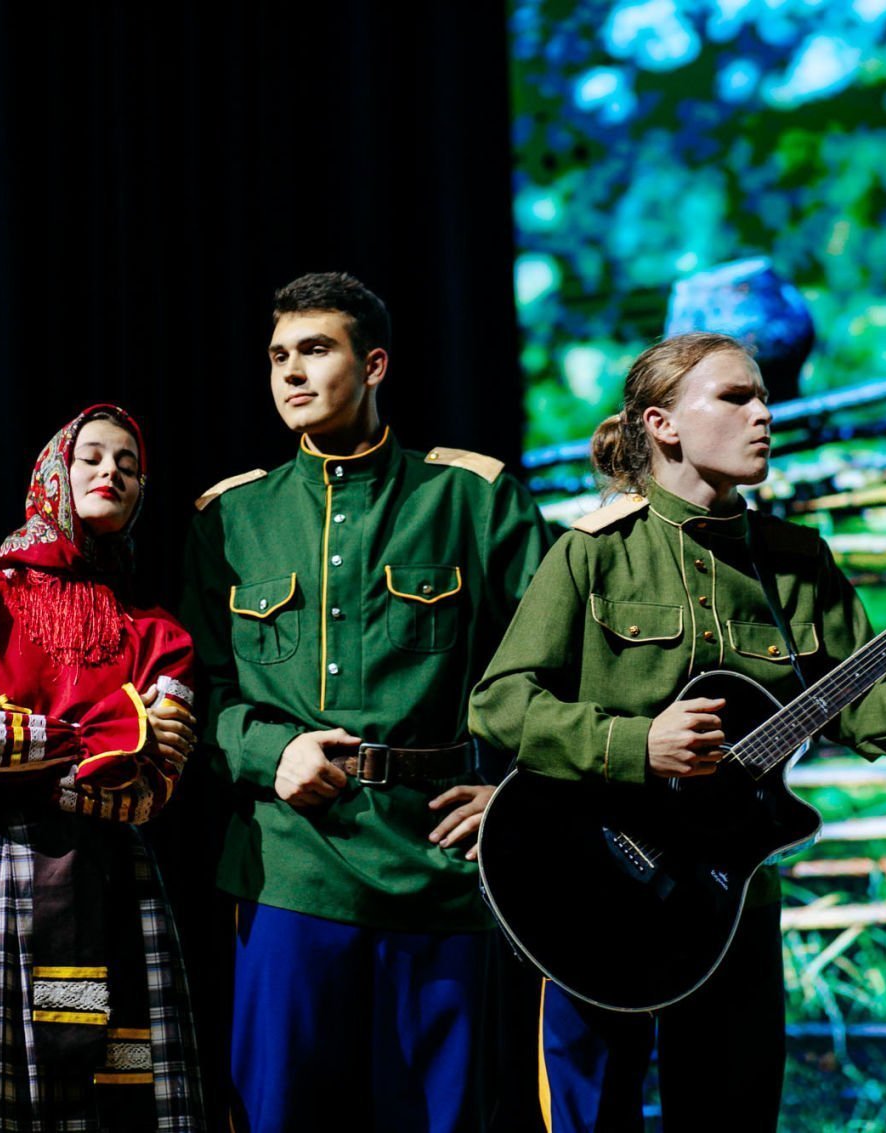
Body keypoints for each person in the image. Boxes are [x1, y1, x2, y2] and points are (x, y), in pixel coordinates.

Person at [468, 332, 886, 1132]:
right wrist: (636, 745)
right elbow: (502, 703)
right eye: (736, 398)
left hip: (729, 901)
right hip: (588, 889)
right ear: (663, 424)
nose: (763, 415)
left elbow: (852, 707)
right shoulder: (592, 553)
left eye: (764, 398)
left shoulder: (799, 561)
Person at [179, 272, 553, 1132]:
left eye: (315, 350)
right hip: (289, 868)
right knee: (280, 1117)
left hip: (442, 871)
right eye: (278, 355)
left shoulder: (473, 497)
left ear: (374, 364)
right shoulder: (231, 517)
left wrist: (517, 791)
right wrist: (272, 751)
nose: (290, 372)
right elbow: (197, 691)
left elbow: (560, 668)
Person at [0, 405, 206, 1132]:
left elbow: (148, 790)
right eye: (92, 457)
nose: (111, 472)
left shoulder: (162, 632)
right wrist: (109, 731)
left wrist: (15, 737)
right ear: (54, 472)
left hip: (108, 880)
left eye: (128, 465)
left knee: (107, 1079)